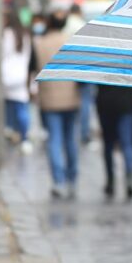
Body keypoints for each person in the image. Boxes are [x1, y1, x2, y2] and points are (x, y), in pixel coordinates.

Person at [30, 11, 81, 199]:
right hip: (71, 98)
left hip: (49, 99)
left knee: (54, 139)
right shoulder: (71, 41)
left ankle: (58, 181)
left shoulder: (39, 43)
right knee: (70, 139)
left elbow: (33, 69)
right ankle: (72, 179)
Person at [95, 84, 132, 199]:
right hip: (126, 105)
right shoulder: (131, 65)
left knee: (108, 145)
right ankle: (129, 180)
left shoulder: (102, 65)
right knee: (127, 144)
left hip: (106, 105)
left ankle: (110, 181)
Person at [2, 12, 33, 154]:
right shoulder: (25, 35)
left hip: (7, 75)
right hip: (21, 75)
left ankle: (11, 130)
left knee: (9, 104)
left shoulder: (7, 34)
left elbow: (3, 54)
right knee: (21, 107)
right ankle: (23, 137)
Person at [64, 3, 94, 144]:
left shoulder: (65, 27)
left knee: (70, 102)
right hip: (84, 69)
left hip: (68, 69)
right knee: (85, 103)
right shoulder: (82, 25)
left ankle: (71, 132)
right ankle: (84, 133)